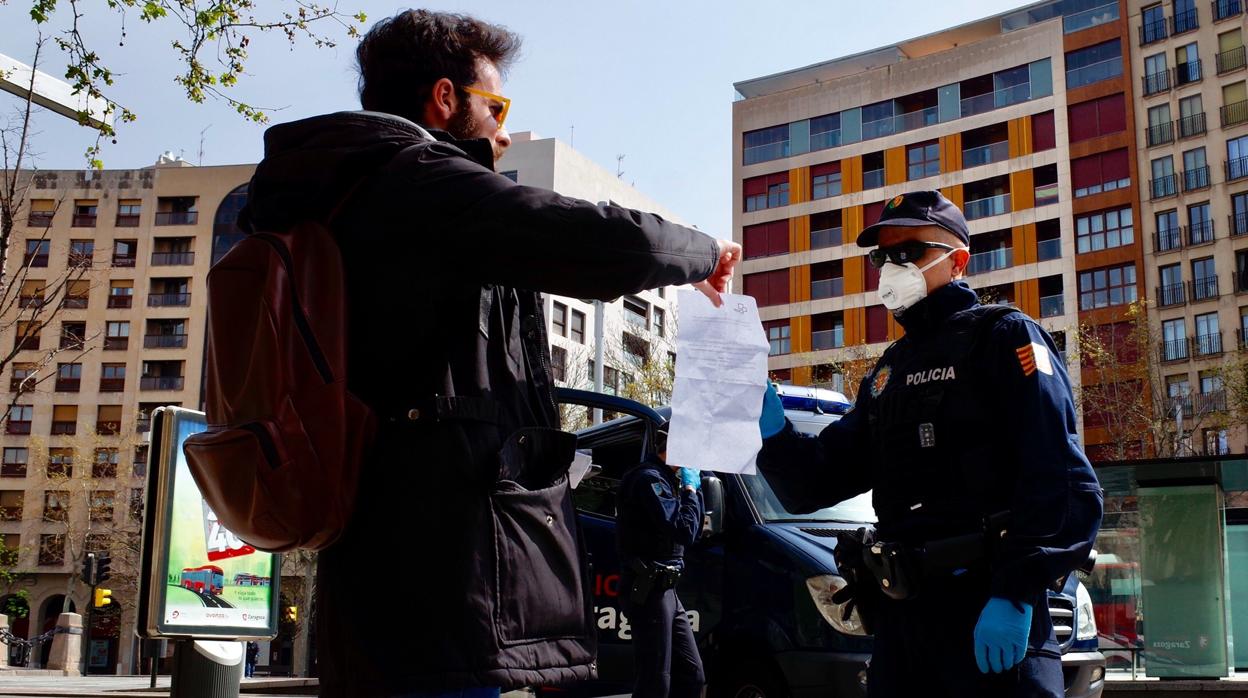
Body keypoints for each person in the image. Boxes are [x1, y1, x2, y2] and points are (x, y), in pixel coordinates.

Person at [237, 9, 741, 697]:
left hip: (372, 547)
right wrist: (704, 253)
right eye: (495, 106)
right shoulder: (419, 181)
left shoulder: (340, 195)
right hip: (442, 565)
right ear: (445, 98)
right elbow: (590, 240)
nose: (503, 132)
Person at [754, 190, 1102, 697]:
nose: (891, 267)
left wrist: (1016, 592)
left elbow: (1062, 480)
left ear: (957, 260)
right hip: (904, 622)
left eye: (908, 252)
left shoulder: (1004, 337)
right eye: (881, 256)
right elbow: (816, 479)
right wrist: (772, 431)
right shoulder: (889, 370)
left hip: (986, 608)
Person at [615, 427, 705, 698]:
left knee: (692, 674)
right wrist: (690, 490)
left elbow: (694, 529)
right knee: (655, 680)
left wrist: (693, 492)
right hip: (649, 588)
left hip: (667, 589)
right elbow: (683, 530)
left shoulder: (665, 480)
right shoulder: (648, 480)